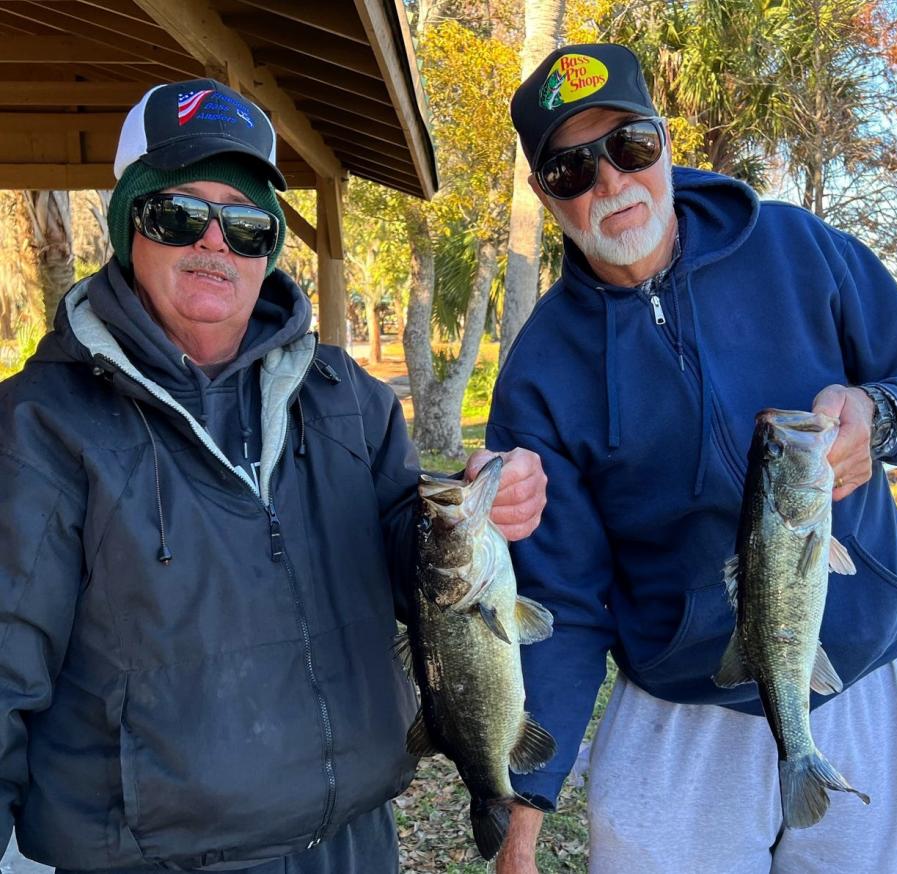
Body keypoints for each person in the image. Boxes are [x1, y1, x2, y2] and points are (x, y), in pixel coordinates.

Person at [0, 79, 546, 874]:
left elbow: (404, 548)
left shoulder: (347, 396)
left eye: (248, 224)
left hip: (355, 847)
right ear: (128, 226)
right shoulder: (39, 426)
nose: (216, 243)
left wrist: (472, 513)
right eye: (180, 215)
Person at [487, 43, 897, 873]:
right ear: (542, 194)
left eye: (629, 145)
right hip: (679, 700)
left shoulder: (797, 248)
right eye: (570, 170)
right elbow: (559, 596)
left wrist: (883, 417)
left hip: (867, 669)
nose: (609, 183)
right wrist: (524, 818)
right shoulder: (540, 372)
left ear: (665, 138)